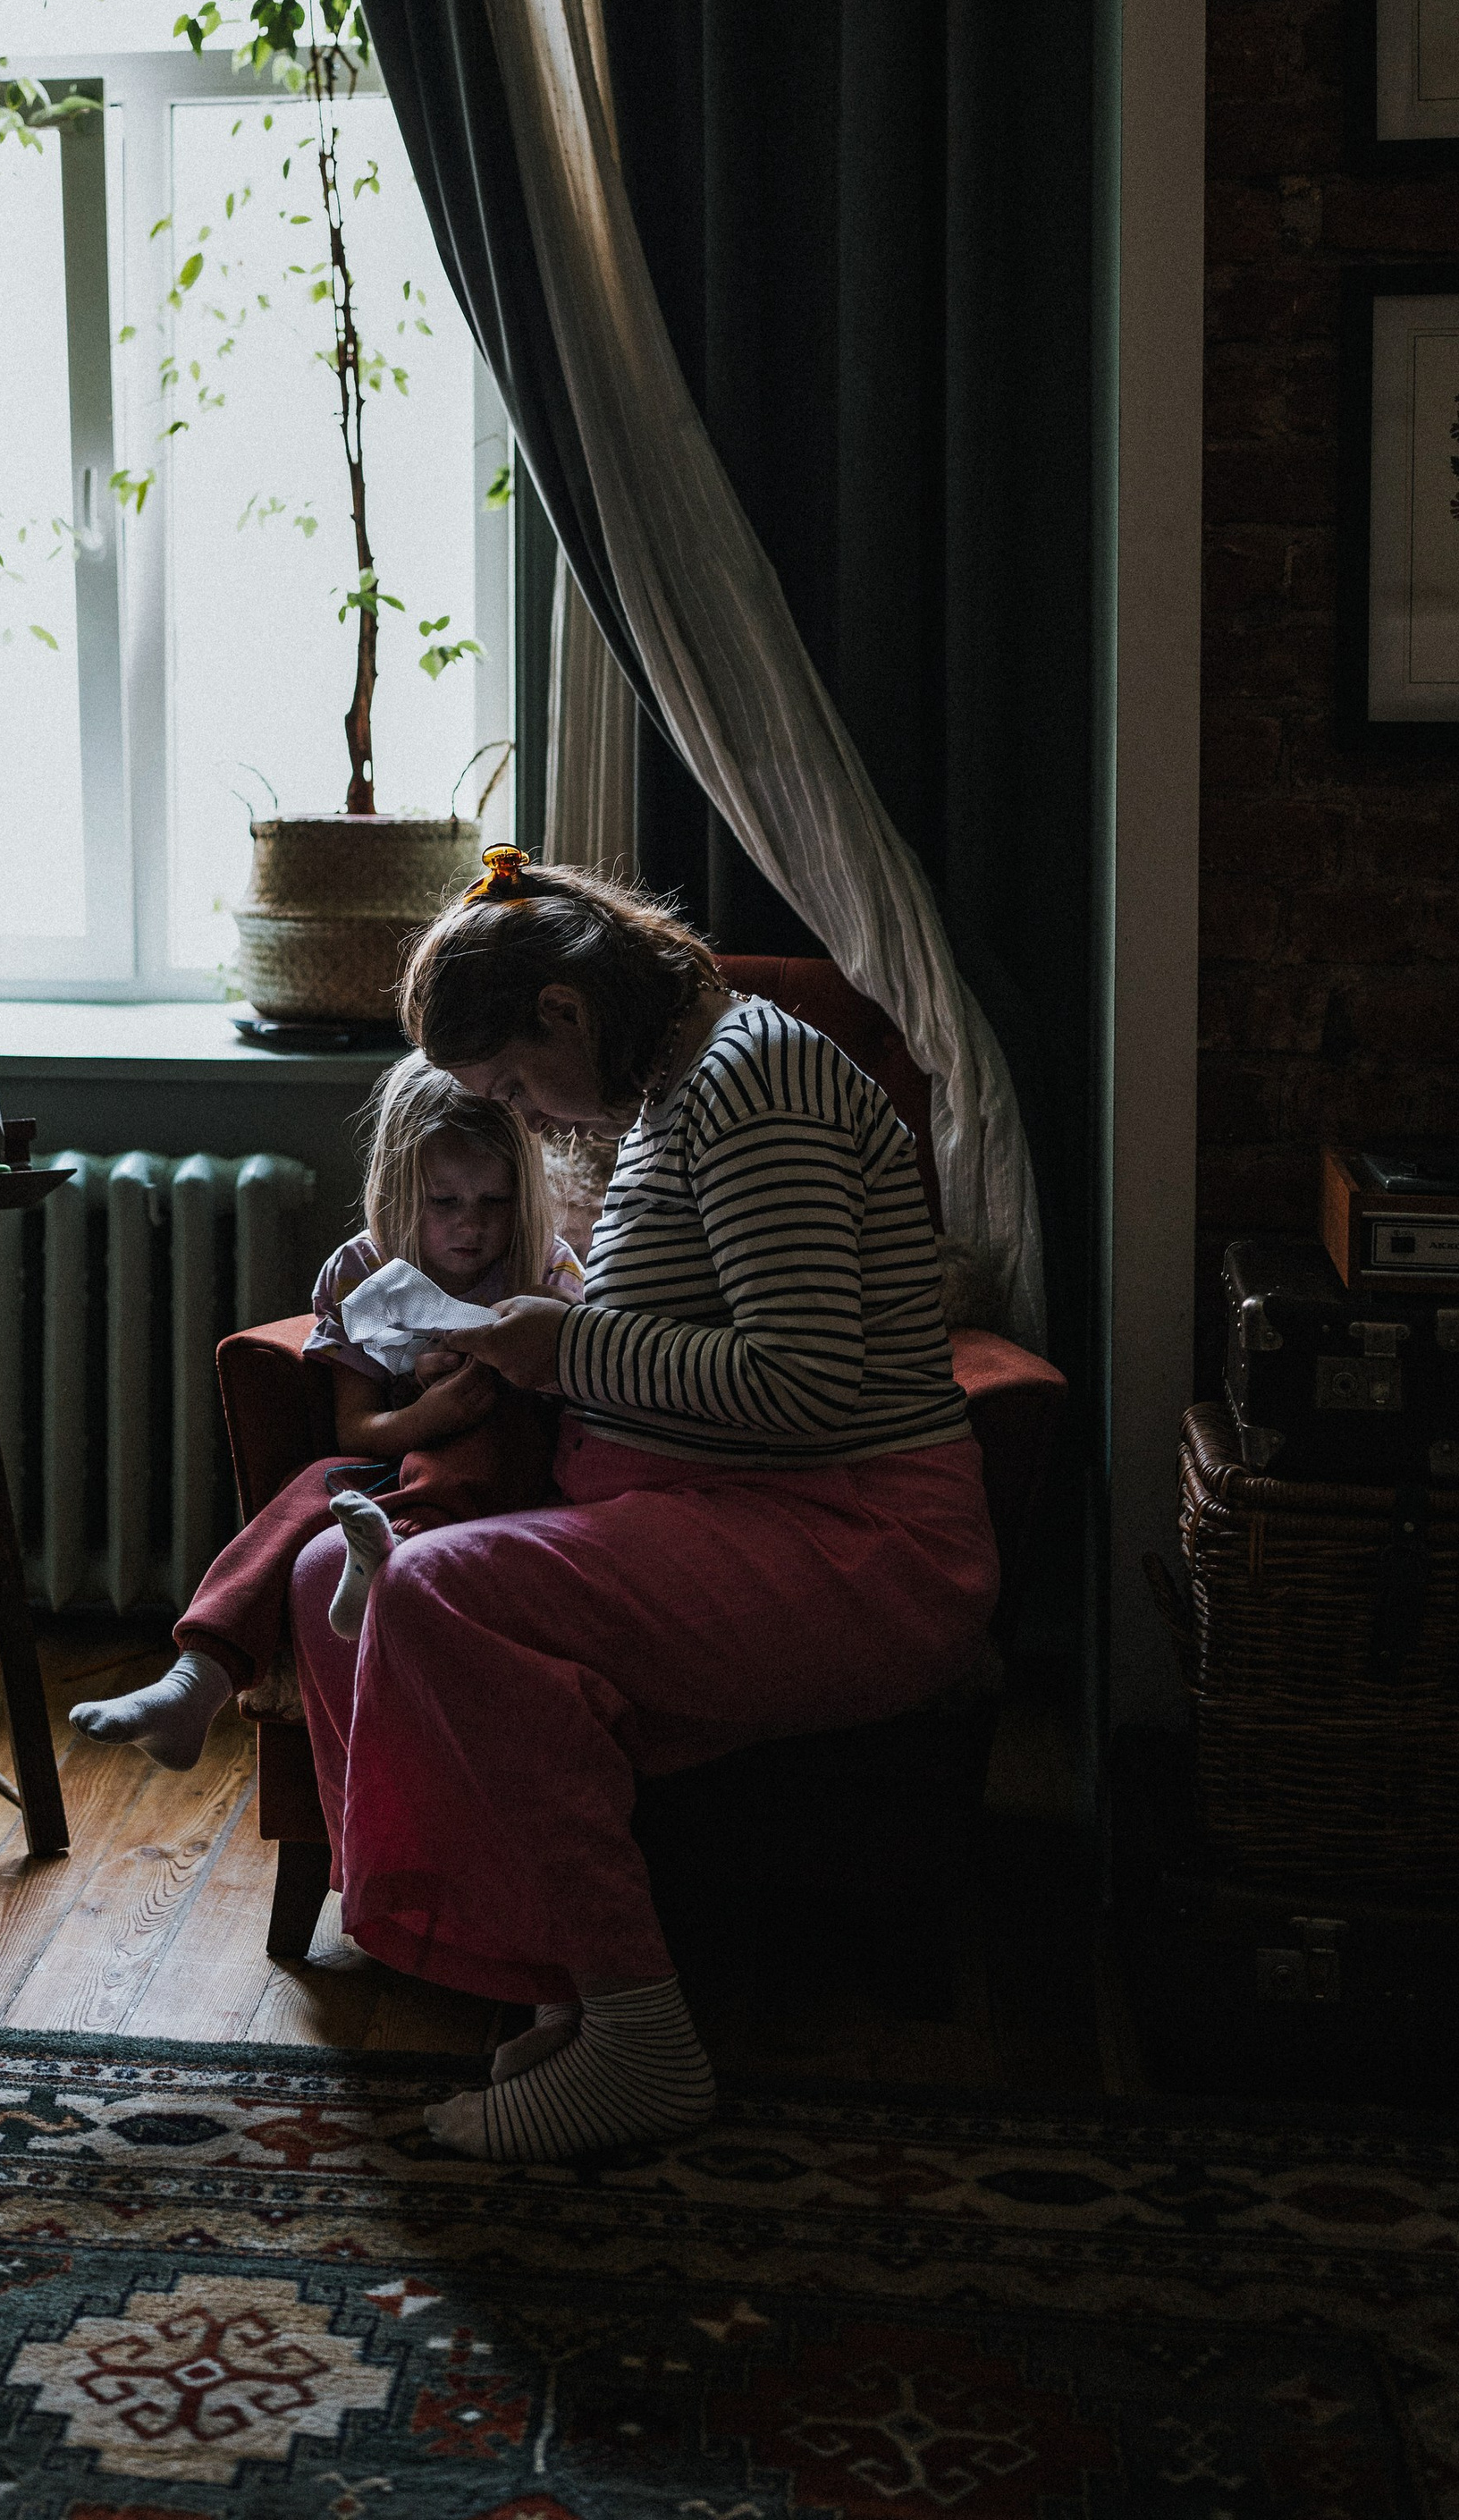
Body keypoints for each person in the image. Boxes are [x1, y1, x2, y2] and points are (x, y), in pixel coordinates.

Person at [284, 847, 1002, 2167]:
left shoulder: (755, 1079)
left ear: (564, 1012)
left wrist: (560, 1350)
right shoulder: (682, 1092)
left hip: (858, 1541)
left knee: (439, 1589)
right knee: (331, 1588)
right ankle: (538, 1976)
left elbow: (804, 1382)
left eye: (513, 1085)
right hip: (725, 1516)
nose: (534, 1119)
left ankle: (637, 2036)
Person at [70, 1054, 581, 1774]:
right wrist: (427, 1410)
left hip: (504, 1463)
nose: (470, 1227)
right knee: (312, 1488)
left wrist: (503, 1360)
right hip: (396, 1451)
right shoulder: (363, 1273)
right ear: (401, 1190)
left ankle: (392, 1548)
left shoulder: (545, 1267)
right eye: (444, 1203)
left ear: (520, 1196)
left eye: (492, 1203)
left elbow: (571, 1386)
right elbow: (357, 1430)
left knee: (490, 1436)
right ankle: (194, 1683)